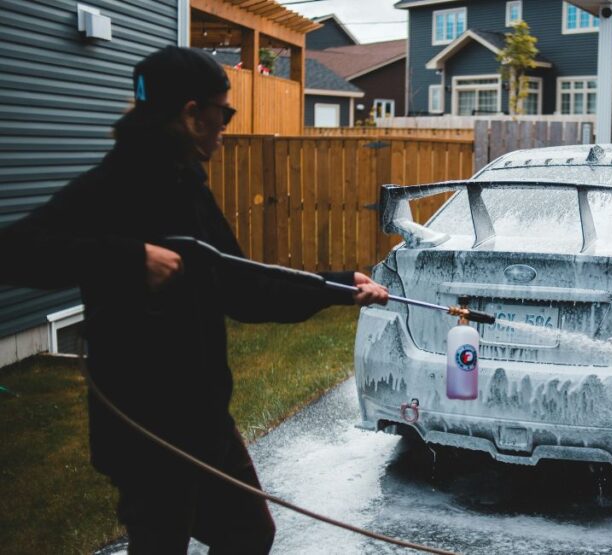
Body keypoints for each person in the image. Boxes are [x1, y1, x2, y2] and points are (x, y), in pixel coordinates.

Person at [0, 46, 388, 553]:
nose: (226, 127)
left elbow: (240, 286)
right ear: (190, 114)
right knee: (167, 542)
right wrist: (127, 257)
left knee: (248, 532)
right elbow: (15, 251)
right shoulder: (111, 185)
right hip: (145, 426)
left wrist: (340, 286)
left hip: (202, 418)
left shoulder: (186, 187)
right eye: (223, 113)